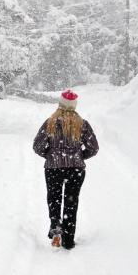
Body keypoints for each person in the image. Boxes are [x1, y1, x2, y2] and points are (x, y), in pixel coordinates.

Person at [32, 89, 99, 249]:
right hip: (75, 169)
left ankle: (56, 227)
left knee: (54, 199)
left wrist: (50, 155)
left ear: (60, 104)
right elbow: (94, 148)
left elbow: (37, 146)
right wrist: (79, 156)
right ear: (74, 106)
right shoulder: (82, 124)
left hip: (53, 168)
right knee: (71, 202)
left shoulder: (50, 122)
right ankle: (68, 240)